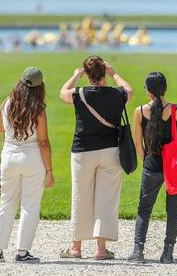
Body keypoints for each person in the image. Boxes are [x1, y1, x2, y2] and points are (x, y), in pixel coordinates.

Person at [59, 55, 132, 260]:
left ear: (88, 74)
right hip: (110, 150)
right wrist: (114, 73)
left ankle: (76, 247)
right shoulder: (117, 95)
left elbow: (62, 92)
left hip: (82, 151)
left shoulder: (79, 93)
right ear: (103, 73)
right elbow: (129, 90)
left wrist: (75, 76)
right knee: (106, 200)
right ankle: (101, 249)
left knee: (80, 197)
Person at [127, 72, 177, 264]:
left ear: (148, 90)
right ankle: (168, 252)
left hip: (152, 165)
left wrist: (146, 161)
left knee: (144, 208)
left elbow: (138, 144)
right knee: (173, 209)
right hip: (175, 167)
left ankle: (138, 251)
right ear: (164, 89)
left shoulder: (139, 111)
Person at [0, 67, 54, 263]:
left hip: (9, 155)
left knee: (6, 203)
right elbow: (44, 142)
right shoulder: (39, 110)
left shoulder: (8, 102)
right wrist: (50, 171)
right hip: (31, 158)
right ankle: (22, 251)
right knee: (30, 206)